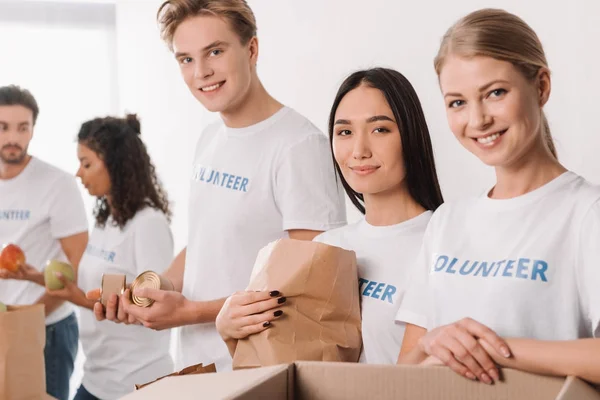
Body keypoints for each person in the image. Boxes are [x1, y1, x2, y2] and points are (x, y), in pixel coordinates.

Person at [97, 0, 346, 372]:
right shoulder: (210, 137)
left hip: (262, 371)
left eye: (215, 51)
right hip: (197, 365)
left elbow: (312, 286)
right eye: (185, 59)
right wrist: (158, 286)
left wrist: (189, 312)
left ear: (252, 49)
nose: (202, 72)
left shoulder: (298, 146)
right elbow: (205, 243)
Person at [396, 8, 600, 385]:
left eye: (495, 93)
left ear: (541, 86)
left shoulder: (588, 213)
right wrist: (432, 342)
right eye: (457, 102)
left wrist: (496, 347)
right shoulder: (446, 222)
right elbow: (402, 372)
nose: (478, 120)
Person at [216, 67, 444, 365]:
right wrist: (231, 330)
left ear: (411, 135)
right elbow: (285, 361)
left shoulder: (442, 243)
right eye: (345, 132)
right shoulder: (324, 248)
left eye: (380, 129)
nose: (359, 150)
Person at [41, 114, 175, 399]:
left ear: (115, 164)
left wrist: (74, 297)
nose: (79, 173)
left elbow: (155, 308)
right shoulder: (106, 220)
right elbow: (99, 286)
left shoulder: (148, 223)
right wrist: (31, 275)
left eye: (86, 163)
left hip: (138, 384)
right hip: (96, 378)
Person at [0, 85, 89, 400]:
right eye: (3, 127)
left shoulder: (57, 184)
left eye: (22, 127)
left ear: (33, 130)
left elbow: (79, 266)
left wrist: (25, 321)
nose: (13, 137)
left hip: (47, 330)